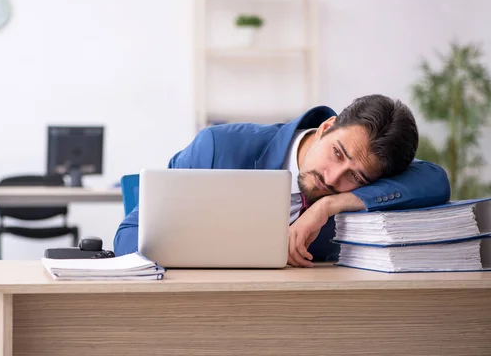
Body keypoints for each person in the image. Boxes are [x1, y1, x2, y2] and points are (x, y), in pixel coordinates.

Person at [113, 94, 451, 267]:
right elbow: (129, 236)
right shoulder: (219, 147)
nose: (332, 178)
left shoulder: (355, 188)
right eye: (336, 153)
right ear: (326, 128)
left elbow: (435, 180)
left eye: (355, 176)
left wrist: (331, 206)